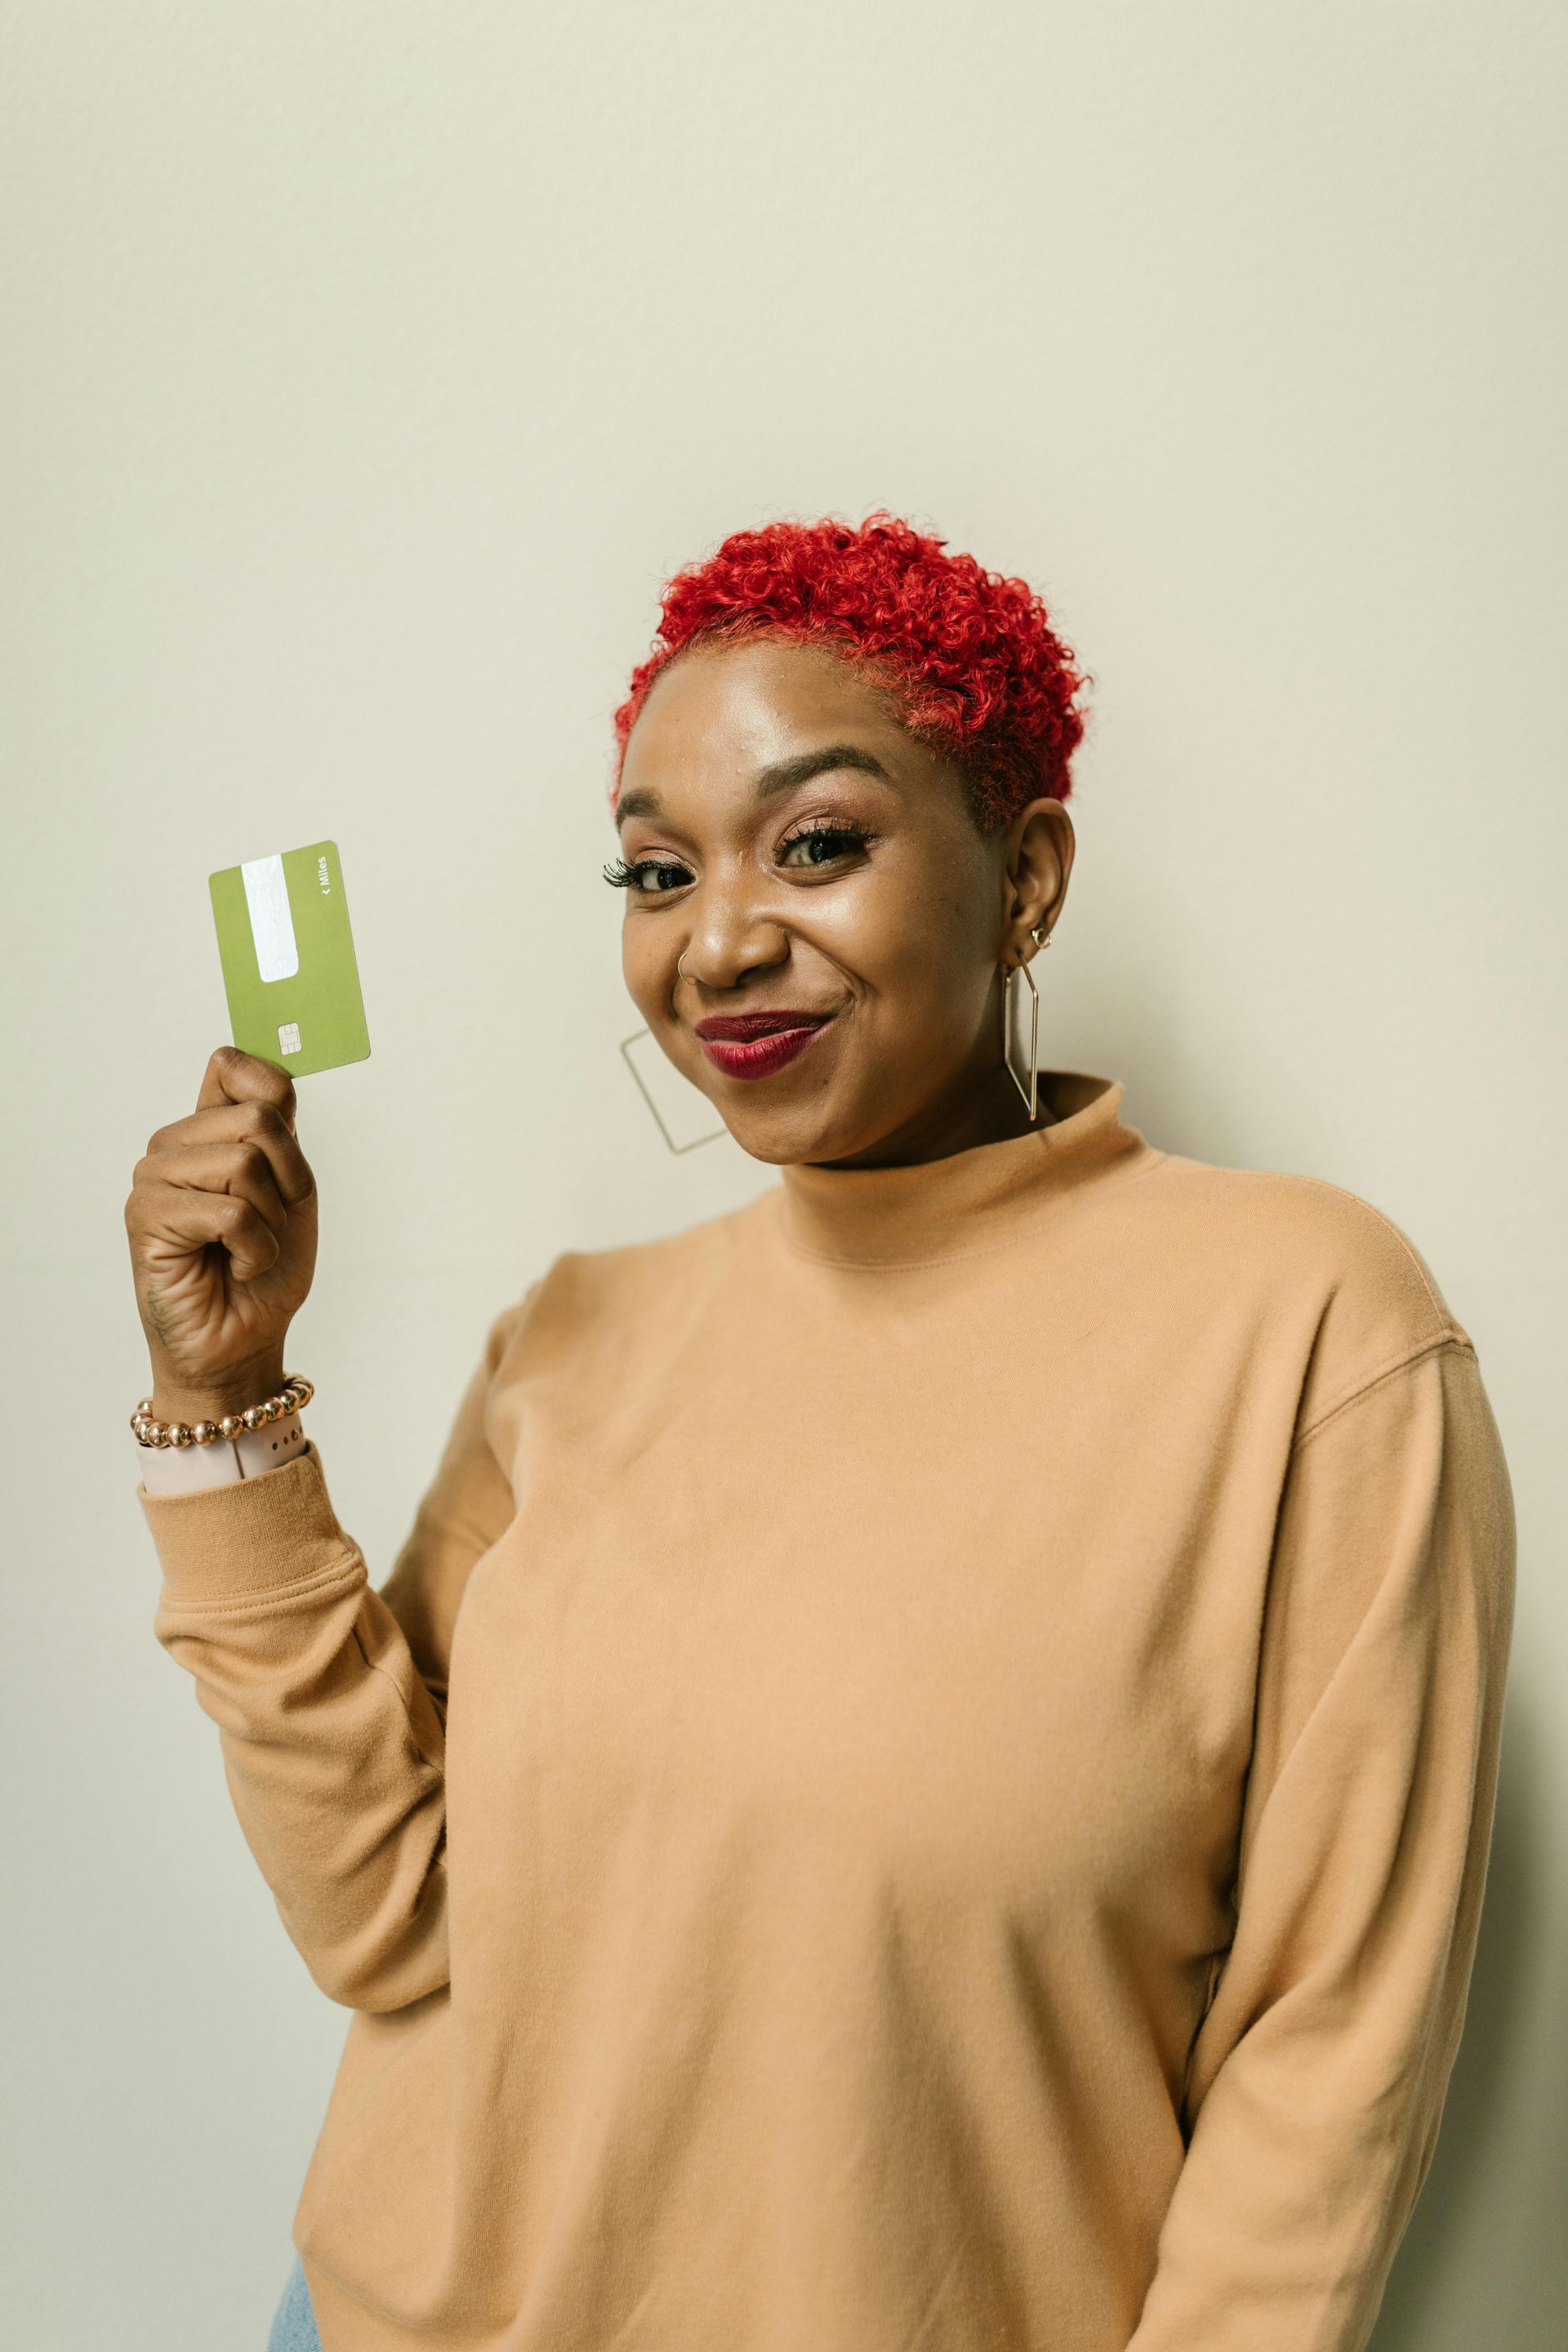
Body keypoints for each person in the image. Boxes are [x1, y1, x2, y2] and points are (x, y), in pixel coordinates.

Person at [126, 515, 1515, 2352]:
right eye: (656, 871)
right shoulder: (569, 1339)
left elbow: (1331, 2054)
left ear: (1026, 881)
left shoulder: (1311, 1328)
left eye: (819, 844)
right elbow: (384, 1917)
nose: (717, 942)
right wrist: (222, 1404)